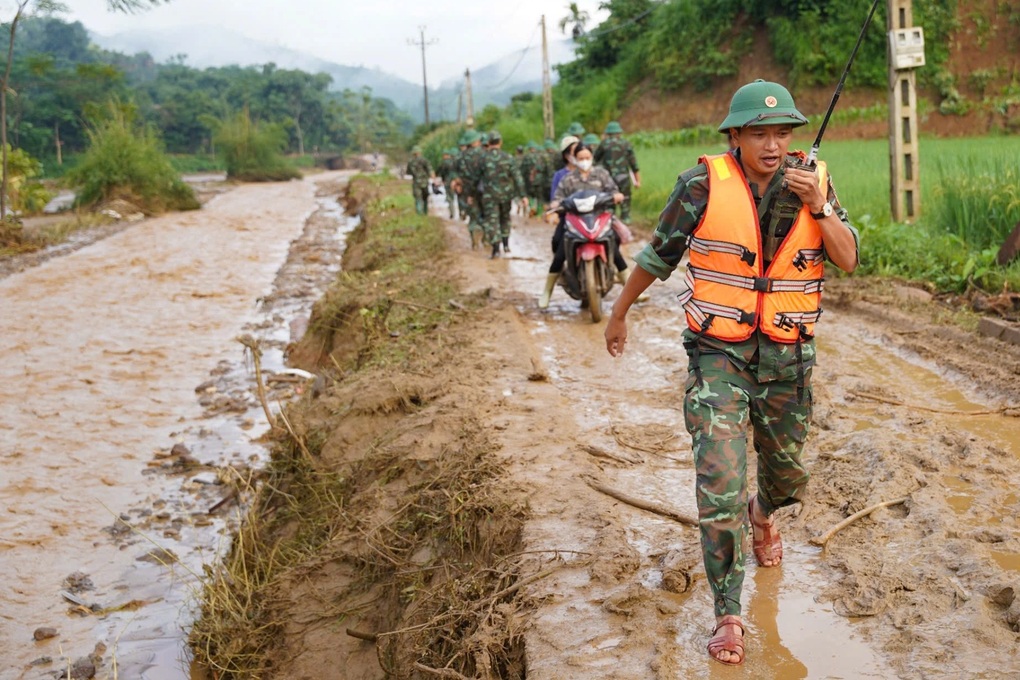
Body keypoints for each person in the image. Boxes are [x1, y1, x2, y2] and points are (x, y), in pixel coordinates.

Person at [603, 80, 859, 667]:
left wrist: (818, 206)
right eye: (759, 133)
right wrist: (619, 313)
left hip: (789, 360)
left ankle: (764, 515)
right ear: (735, 135)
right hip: (719, 355)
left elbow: (847, 257)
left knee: (789, 478)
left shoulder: (813, 182)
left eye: (782, 133)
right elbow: (657, 256)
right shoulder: (700, 185)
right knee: (719, 483)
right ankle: (728, 614)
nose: (772, 145)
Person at [538, 142, 627, 309]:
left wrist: (616, 195)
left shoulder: (601, 174)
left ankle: (629, 287)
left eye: (587, 157)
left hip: (599, 218)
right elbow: (557, 198)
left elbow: (613, 190)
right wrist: (555, 205)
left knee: (614, 243)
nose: (584, 161)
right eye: (581, 158)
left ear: (592, 157)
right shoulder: (568, 178)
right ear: (574, 159)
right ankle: (547, 292)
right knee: (559, 247)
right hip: (574, 220)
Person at [478, 130, 528, 258]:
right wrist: (523, 195)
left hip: (489, 196)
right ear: (500, 142)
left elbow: (476, 179)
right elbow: (518, 178)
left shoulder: (483, 159)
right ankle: (506, 245)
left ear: (488, 143)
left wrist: (472, 194)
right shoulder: (508, 158)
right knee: (505, 218)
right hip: (506, 195)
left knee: (492, 220)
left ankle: (495, 249)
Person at [594, 121, 641, 223]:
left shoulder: (603, 144)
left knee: (610, 198)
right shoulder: (626, 144)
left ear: (607, 133)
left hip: (608, 178)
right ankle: (626, 218)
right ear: (619, 133)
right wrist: (638, 181)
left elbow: (594, 160)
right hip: (623, 177)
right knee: (626, 198)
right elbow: (634, 164)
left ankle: (610, 219)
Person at [453, 130, 486, 249]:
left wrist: (458, 184)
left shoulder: (460, 156)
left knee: (473, 214)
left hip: (467, 190)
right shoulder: (484, 153)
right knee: (485, 213)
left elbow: (455, 174)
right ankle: (485, 239)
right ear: (476, 141)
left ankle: (474, 241)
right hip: (483, 188)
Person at [405, 146, 435, 215]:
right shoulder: (424, 160)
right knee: (425, 197)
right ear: (420, 152)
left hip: (416, 182)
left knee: (418, 197)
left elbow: (408, 172)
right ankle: (425, 212)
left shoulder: (411, 162)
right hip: (424, 182)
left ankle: (419, 212)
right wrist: (434, 179)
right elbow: (430, 170)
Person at [436, 148, 459, 219]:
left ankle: (452, 213)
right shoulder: (456, 162)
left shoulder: (444, 163)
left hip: (448, 182)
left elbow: (440, 172)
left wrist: (442, 179)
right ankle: (461, 212)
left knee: (450, 198)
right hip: (457, 181)